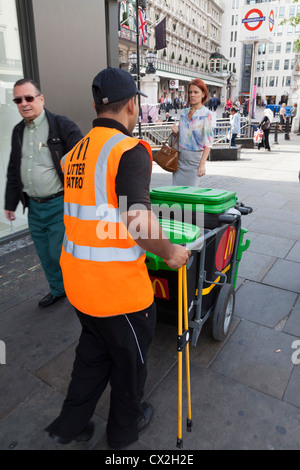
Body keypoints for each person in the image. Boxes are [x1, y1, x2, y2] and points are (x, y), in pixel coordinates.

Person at [45, 68, 190, 449]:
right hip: (119, 293)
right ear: (132, 104)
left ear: (96, 105)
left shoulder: (74, 153)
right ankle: (124, 432)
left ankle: (69, 425)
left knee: (92, 357)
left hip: (80, 285)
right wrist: (171, 252)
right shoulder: (128, 150)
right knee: (129, 366)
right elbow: (136, 220)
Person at [4, 79, 83, 307]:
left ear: (41, 99)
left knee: (61, 254)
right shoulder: (19, 130)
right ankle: (58, 290)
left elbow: (82, 163)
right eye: (18, 100)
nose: (24, 103)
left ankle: (77, 291)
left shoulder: (61, 125)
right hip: (34, 206)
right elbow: (13, 168)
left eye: (29, 98)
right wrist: (11, 203)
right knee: (45, 255)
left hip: (60, 203)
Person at [171, 78, 214, 187]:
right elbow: (183, 135)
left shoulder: (207, 114)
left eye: (196, 92)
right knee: (178, 193)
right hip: (179, 159)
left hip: (195, 160)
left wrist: (202, 164)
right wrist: (176, 130)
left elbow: (208, 143)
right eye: (190, 92)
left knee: (190, 195)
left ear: (203, 94)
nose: (192, 95)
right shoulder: (184, 112)